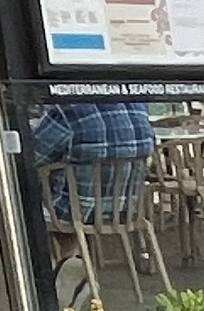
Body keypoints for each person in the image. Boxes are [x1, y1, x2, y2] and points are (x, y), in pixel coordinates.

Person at [31, 86, 154, 224]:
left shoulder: (66, 111)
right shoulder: (137, 105)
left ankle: (60, 245)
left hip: (73, 213)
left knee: (21, 190)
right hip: (125, 209)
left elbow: (32, 156)